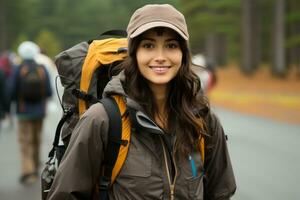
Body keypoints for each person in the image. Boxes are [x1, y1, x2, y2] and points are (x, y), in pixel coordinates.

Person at [47, 4, 236, 200]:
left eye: (171, 45)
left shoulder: (204, 121)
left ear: (184, 54)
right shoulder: (102, 120)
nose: (160, 57)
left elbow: (220, 192)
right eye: (148, 46)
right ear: (134, 53)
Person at [9, 41, 52, 185]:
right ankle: (35, 165)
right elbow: (48, 91)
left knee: (25, 142)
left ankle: (28, 171)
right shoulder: (41, 68)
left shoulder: (18, 68)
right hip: (39, 110)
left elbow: (11, 90)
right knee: (36, 139)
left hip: (23, 111)